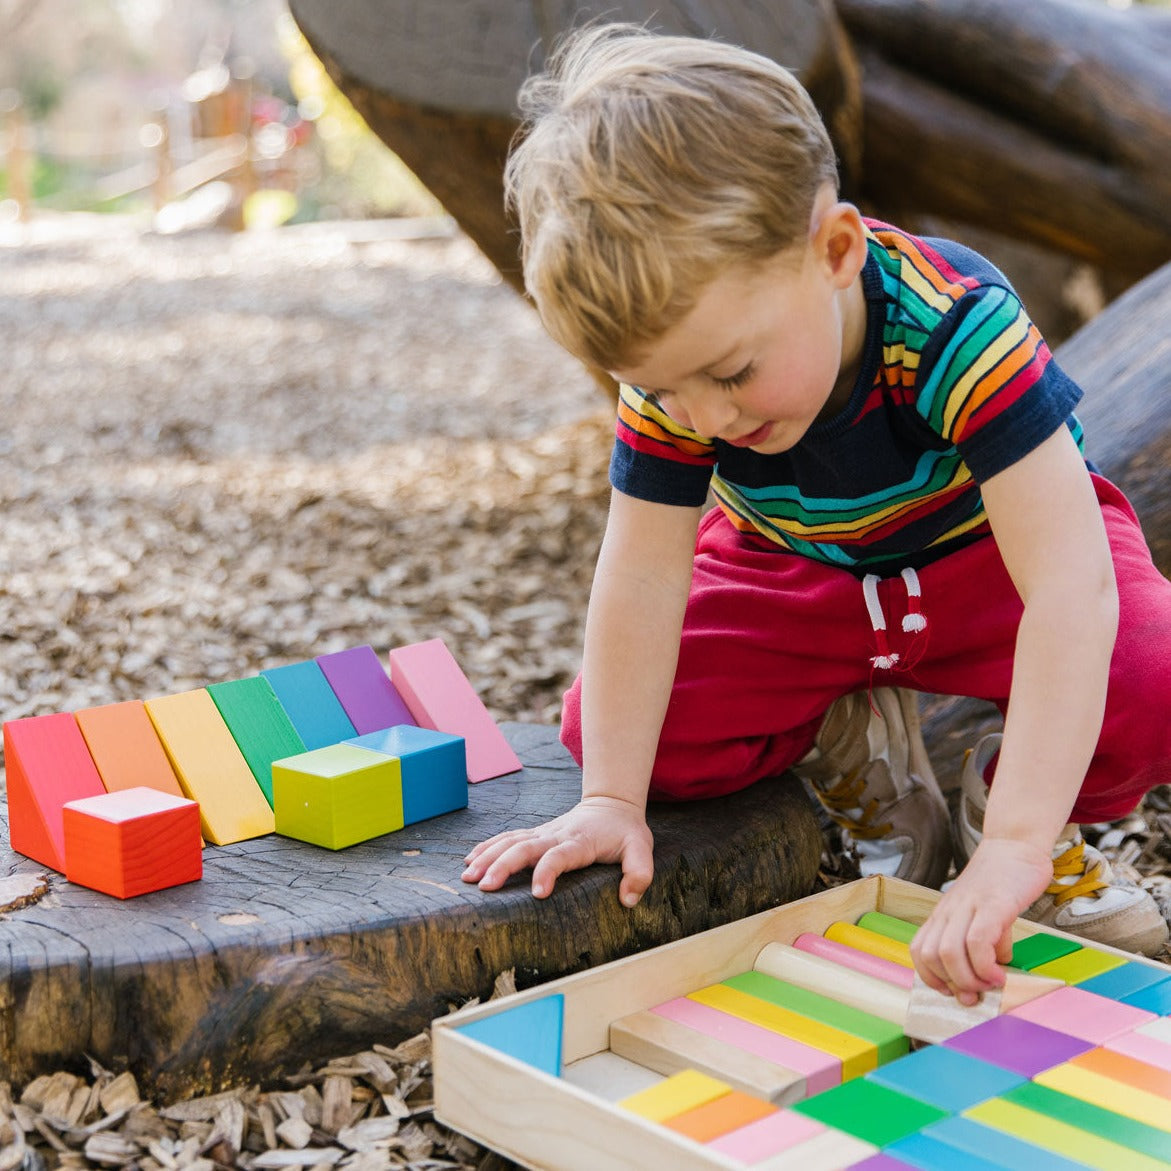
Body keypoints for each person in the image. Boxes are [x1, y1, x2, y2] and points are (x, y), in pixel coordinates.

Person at [461, 23, 1171, 1002]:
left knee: (1146, 669)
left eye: (730, 374)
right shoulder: (684, 369)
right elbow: (642, 572)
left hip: (984, 571)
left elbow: (1067, 583)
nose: (705, 419)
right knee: (619, 725)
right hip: (794, 576)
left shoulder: (954, 324)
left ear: (833, 249)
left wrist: (1013, 842)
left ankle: (1026, 812)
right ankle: (854, 739)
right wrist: (611, 799)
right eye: (665, 393)